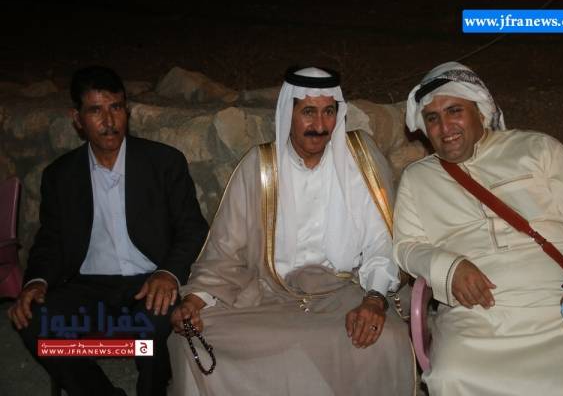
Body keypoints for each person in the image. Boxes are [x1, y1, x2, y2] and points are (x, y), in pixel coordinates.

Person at [168, 66, 416, 395]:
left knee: (388, 338)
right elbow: (227, 249)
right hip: (271, 294)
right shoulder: (259, 167)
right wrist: (196, 300)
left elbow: (381, 241)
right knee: (193, 335)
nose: (320, 125)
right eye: (308, 112)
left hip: (346, 293)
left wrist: (373, 299)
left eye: (329, 112)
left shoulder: (360, 159)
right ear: (289, 113)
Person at [394, 61, 563, 396]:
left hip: (559, 301)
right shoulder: (418, 178)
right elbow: (407, 246)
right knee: (451, 375)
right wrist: (448, 267)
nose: (444, 127)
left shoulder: (537, 149)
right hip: (478, 316)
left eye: (454, 111)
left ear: (480, 112)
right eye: (432, 118)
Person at [7, 66, 209, 396]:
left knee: (157, 325)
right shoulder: (61, 175)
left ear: (126, 110)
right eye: (95, 110)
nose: (109, 120)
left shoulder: (163, 163)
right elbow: (50, 241)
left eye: (116, 107)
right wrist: (36, 282)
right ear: (77, 119)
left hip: (148, 281)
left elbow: (192, 228)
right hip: (88, 287)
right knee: (32, 321)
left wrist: (168, 273)